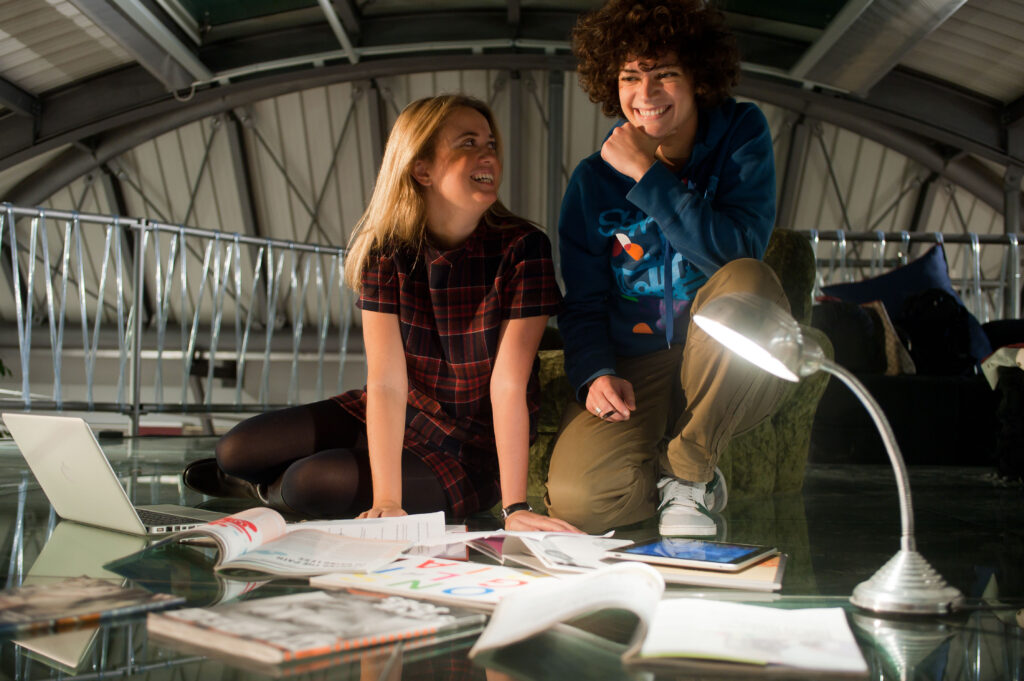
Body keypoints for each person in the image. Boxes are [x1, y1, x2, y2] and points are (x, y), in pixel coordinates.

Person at [183, 94, 579, 533]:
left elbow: (508, 384)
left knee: (307, 482)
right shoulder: (386, 251)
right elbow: (387, 383)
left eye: (490, 143)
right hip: (401, 413)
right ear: (421, 170)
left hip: (468, 451)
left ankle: (269, 489)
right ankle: (267, 478)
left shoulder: (524, 249)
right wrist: (387, 499)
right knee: (235, 450)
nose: (488, 154)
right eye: (468, 143)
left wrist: (514, 506)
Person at [545, 0, 790, 536]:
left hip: (732, 357)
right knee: (581, 501)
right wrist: (595, 372)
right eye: (630, 77)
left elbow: (737, 254)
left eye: (665, 74)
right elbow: (583, 302)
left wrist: (647, 174)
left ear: (698, 76)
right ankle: (675, 477)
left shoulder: (741, 134)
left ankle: (688, 473)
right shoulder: (591, 181)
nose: (646, 93)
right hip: (639, 366)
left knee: (748, 281)